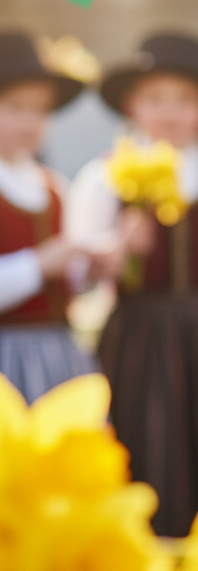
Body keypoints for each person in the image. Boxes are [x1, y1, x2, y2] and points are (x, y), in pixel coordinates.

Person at [66, 33, 198, 538]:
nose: (169, 112)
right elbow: (79, 272)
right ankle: (146, 549)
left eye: (184, 100)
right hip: (137, 332)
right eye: (155, 99)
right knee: (142, 438)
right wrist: (118, 249)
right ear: (131, 106)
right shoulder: (104, 177)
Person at [0, 31, 96, 402]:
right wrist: (38, 265)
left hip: (58, 354)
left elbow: (68, 282)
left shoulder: (53, 187)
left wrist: (91, 267)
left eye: (40, 110)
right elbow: (46, 266)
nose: (31, 121)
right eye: (16, 107)